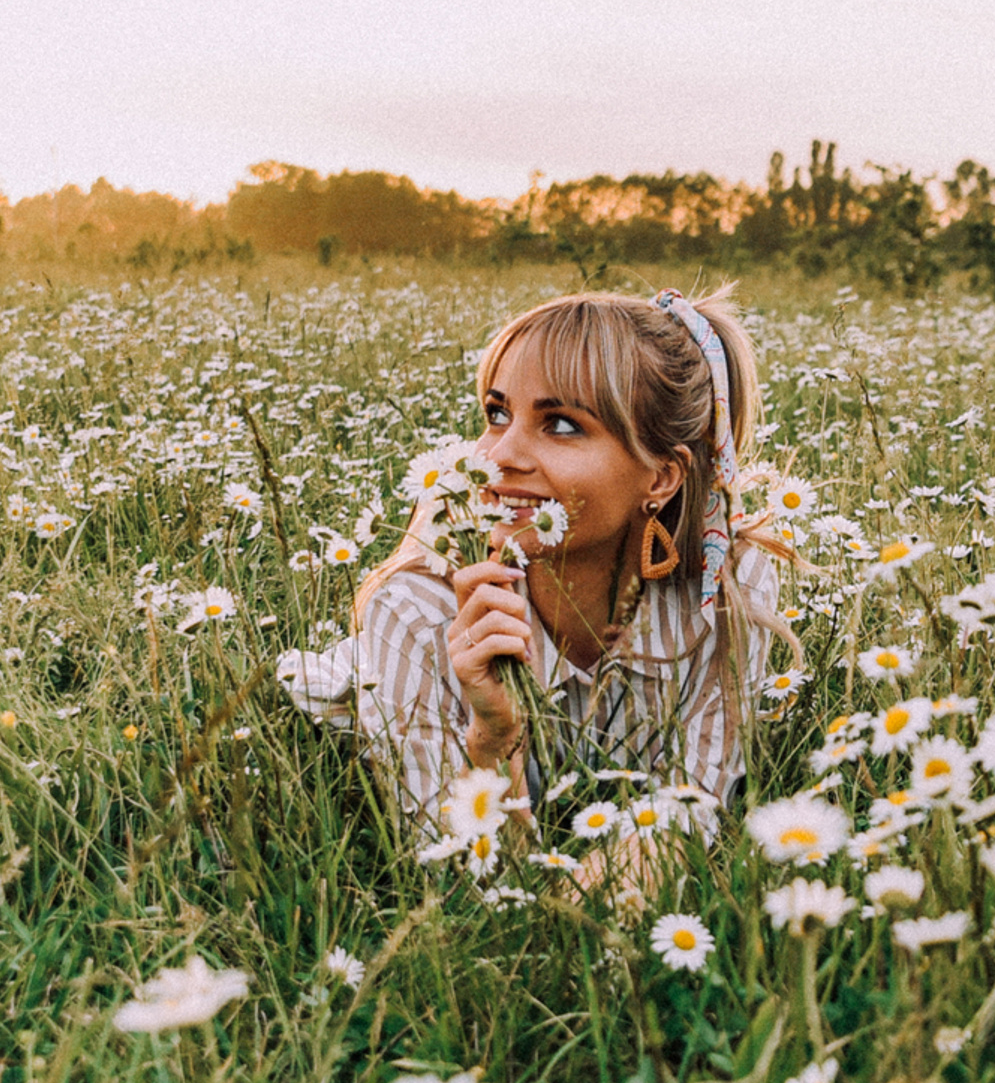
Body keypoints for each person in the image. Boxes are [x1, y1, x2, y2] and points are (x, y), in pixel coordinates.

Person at [283, 287, 793, 839]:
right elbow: (463, 876)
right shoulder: (416, 613)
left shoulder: (724, 589)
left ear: (661, 477)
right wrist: (493, 738)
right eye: (497, 414)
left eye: (562, 425)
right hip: (376, 684)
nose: (499, 456)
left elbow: (692, 813)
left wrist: (628, 873)